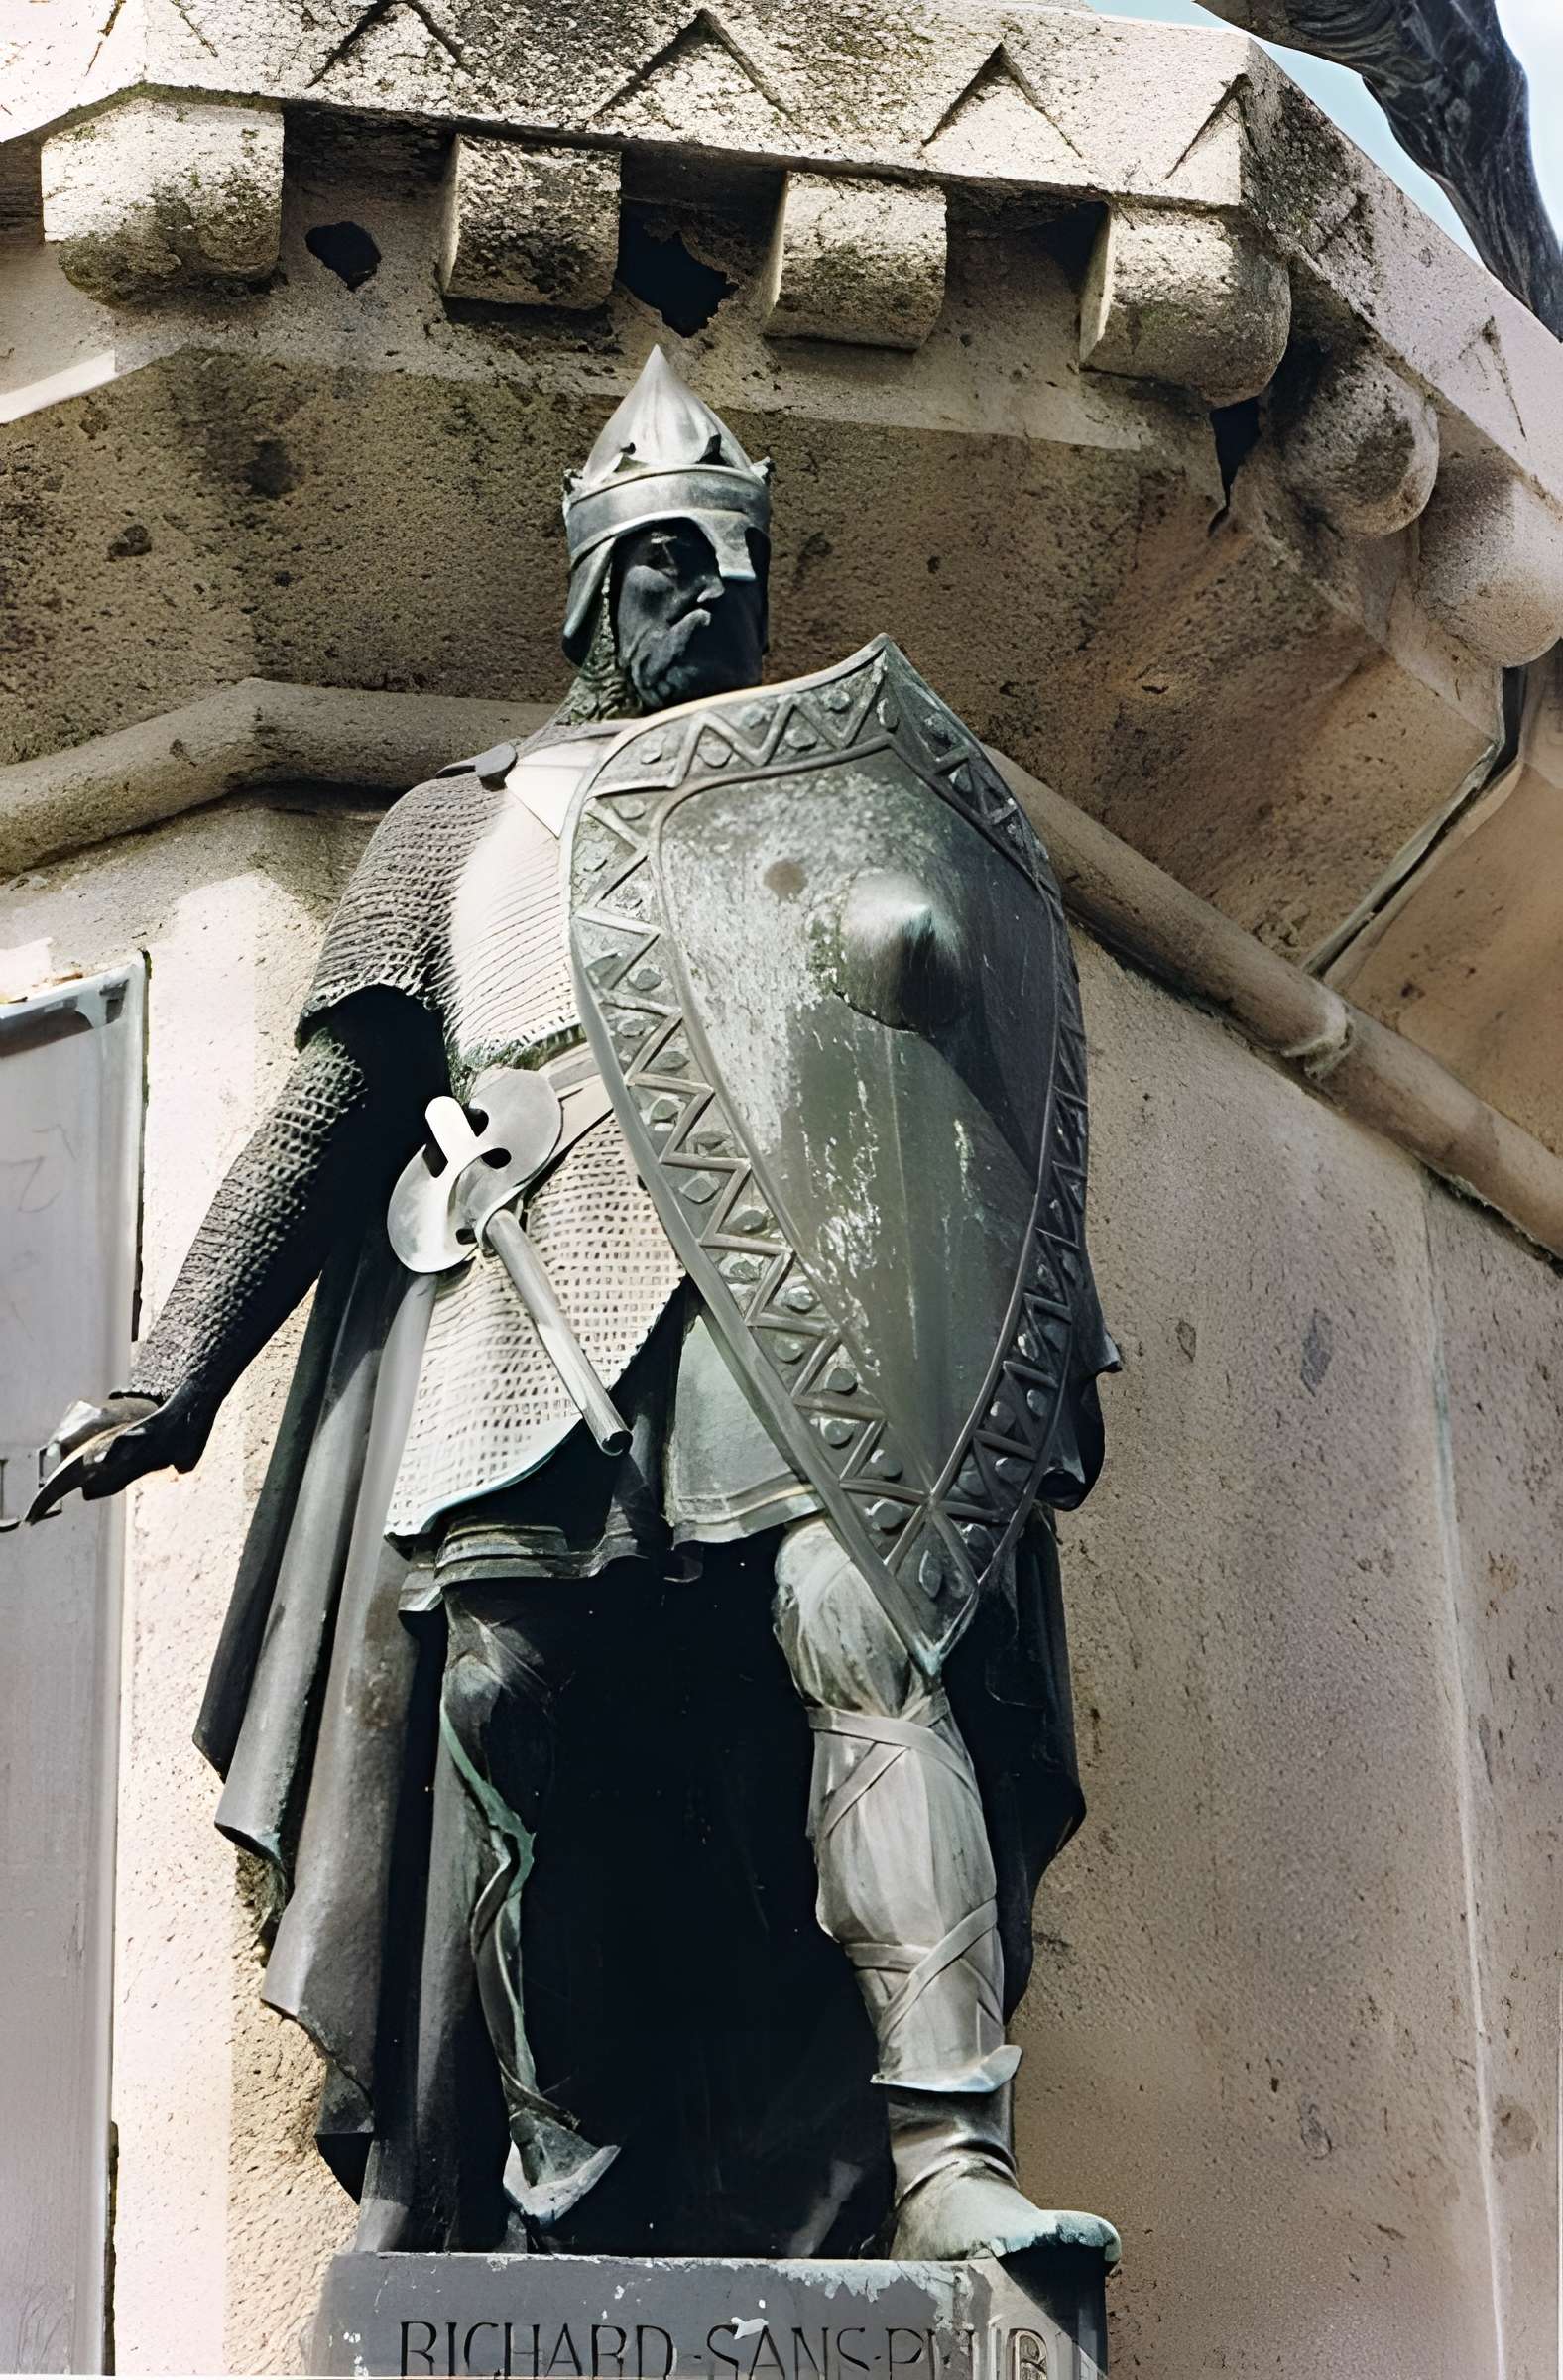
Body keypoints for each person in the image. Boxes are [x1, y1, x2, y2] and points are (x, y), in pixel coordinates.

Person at [38, 348, 1119, 2268]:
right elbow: (330, 1116)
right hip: (527, 1309)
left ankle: (947, 2153)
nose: (712, 594)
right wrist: (170, 1373)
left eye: (734, 564)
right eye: (668, 563)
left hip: (783, 1319)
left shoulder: (833, 803)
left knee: (862, 1625)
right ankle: (558, 2169)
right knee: (506, 1700)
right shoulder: (454, 828)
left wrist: (1037, 1350)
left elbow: (954, 1082)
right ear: (590, 591)